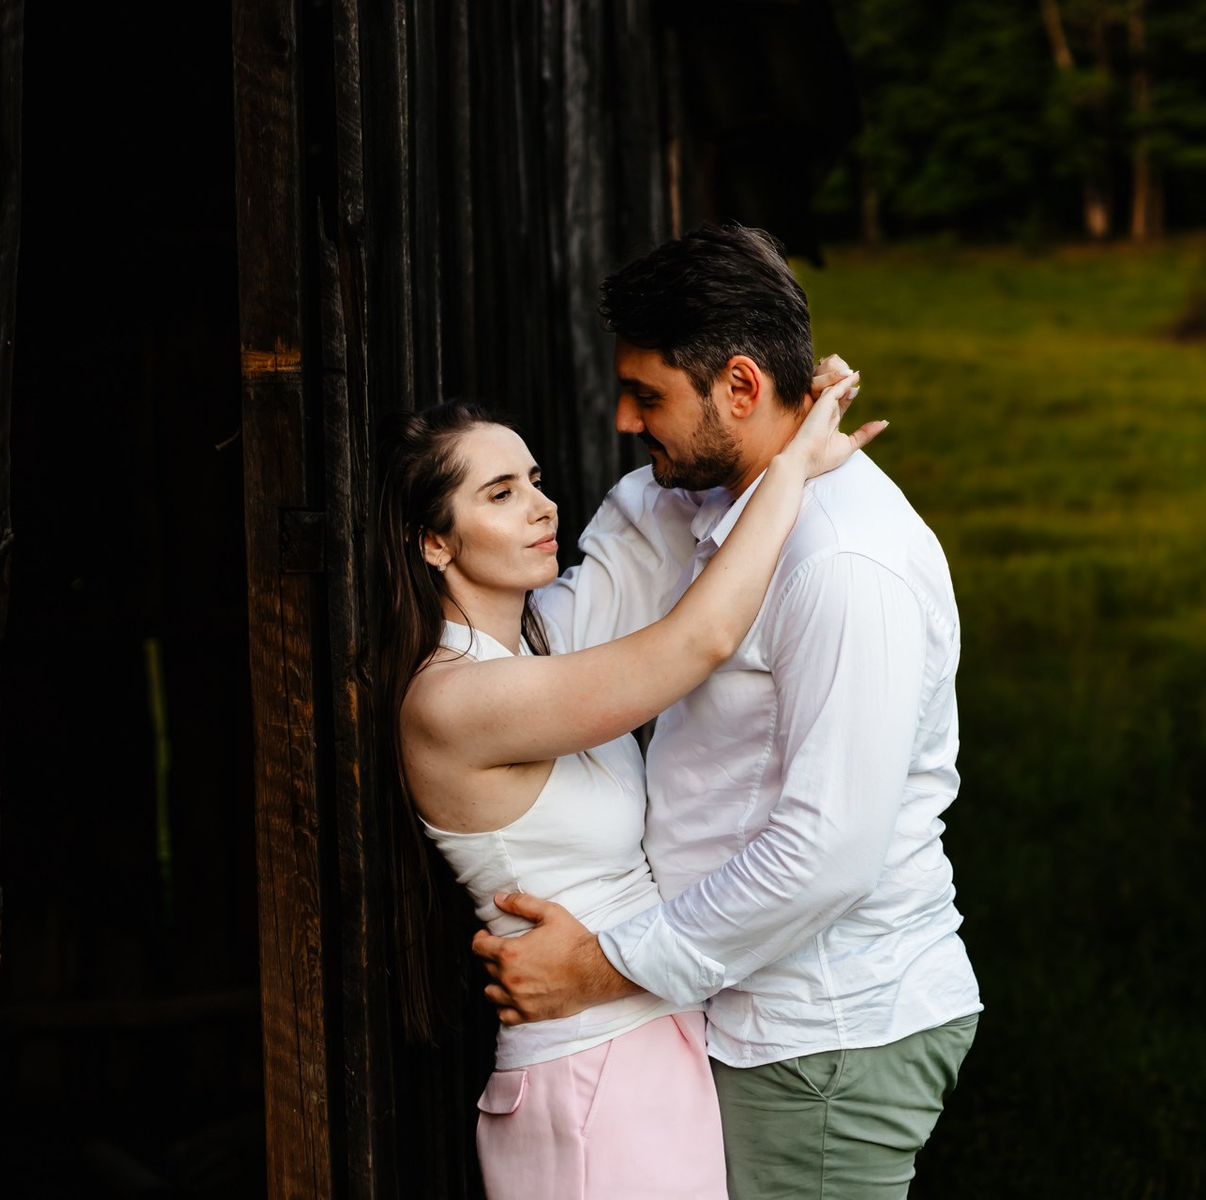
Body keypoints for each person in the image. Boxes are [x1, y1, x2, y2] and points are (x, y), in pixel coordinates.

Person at [474, 223, 983, 1199]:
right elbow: (547, 649)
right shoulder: (699, 502)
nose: (624, 417)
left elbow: (827, 852)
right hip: (741, 1009)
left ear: (741, 387)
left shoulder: (843, 564)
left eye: (649, 395)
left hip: (820, 1031)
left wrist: (601, 968)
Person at [372, 364, 879, 1200]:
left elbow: (645, 531)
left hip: (652, 1043)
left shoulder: (544, 643)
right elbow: (699, 639)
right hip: (585, 1072)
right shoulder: (450, 700)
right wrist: (793, 467)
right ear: (434, 542)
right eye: (500, 493)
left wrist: (770, 420)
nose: (542, 506)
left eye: (535, 480)